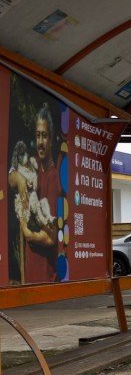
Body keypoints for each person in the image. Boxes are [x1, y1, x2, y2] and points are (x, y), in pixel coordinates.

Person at [15, 103, 59, 282]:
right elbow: (13, 175)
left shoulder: (53, 177)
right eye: (38, 135)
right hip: (30, 273)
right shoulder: (33, 169)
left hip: (45, 276)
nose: (40, 142)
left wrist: (27, 233)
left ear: (51, 139)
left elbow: (51, 239)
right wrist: (18, 179)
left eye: (45, 136)